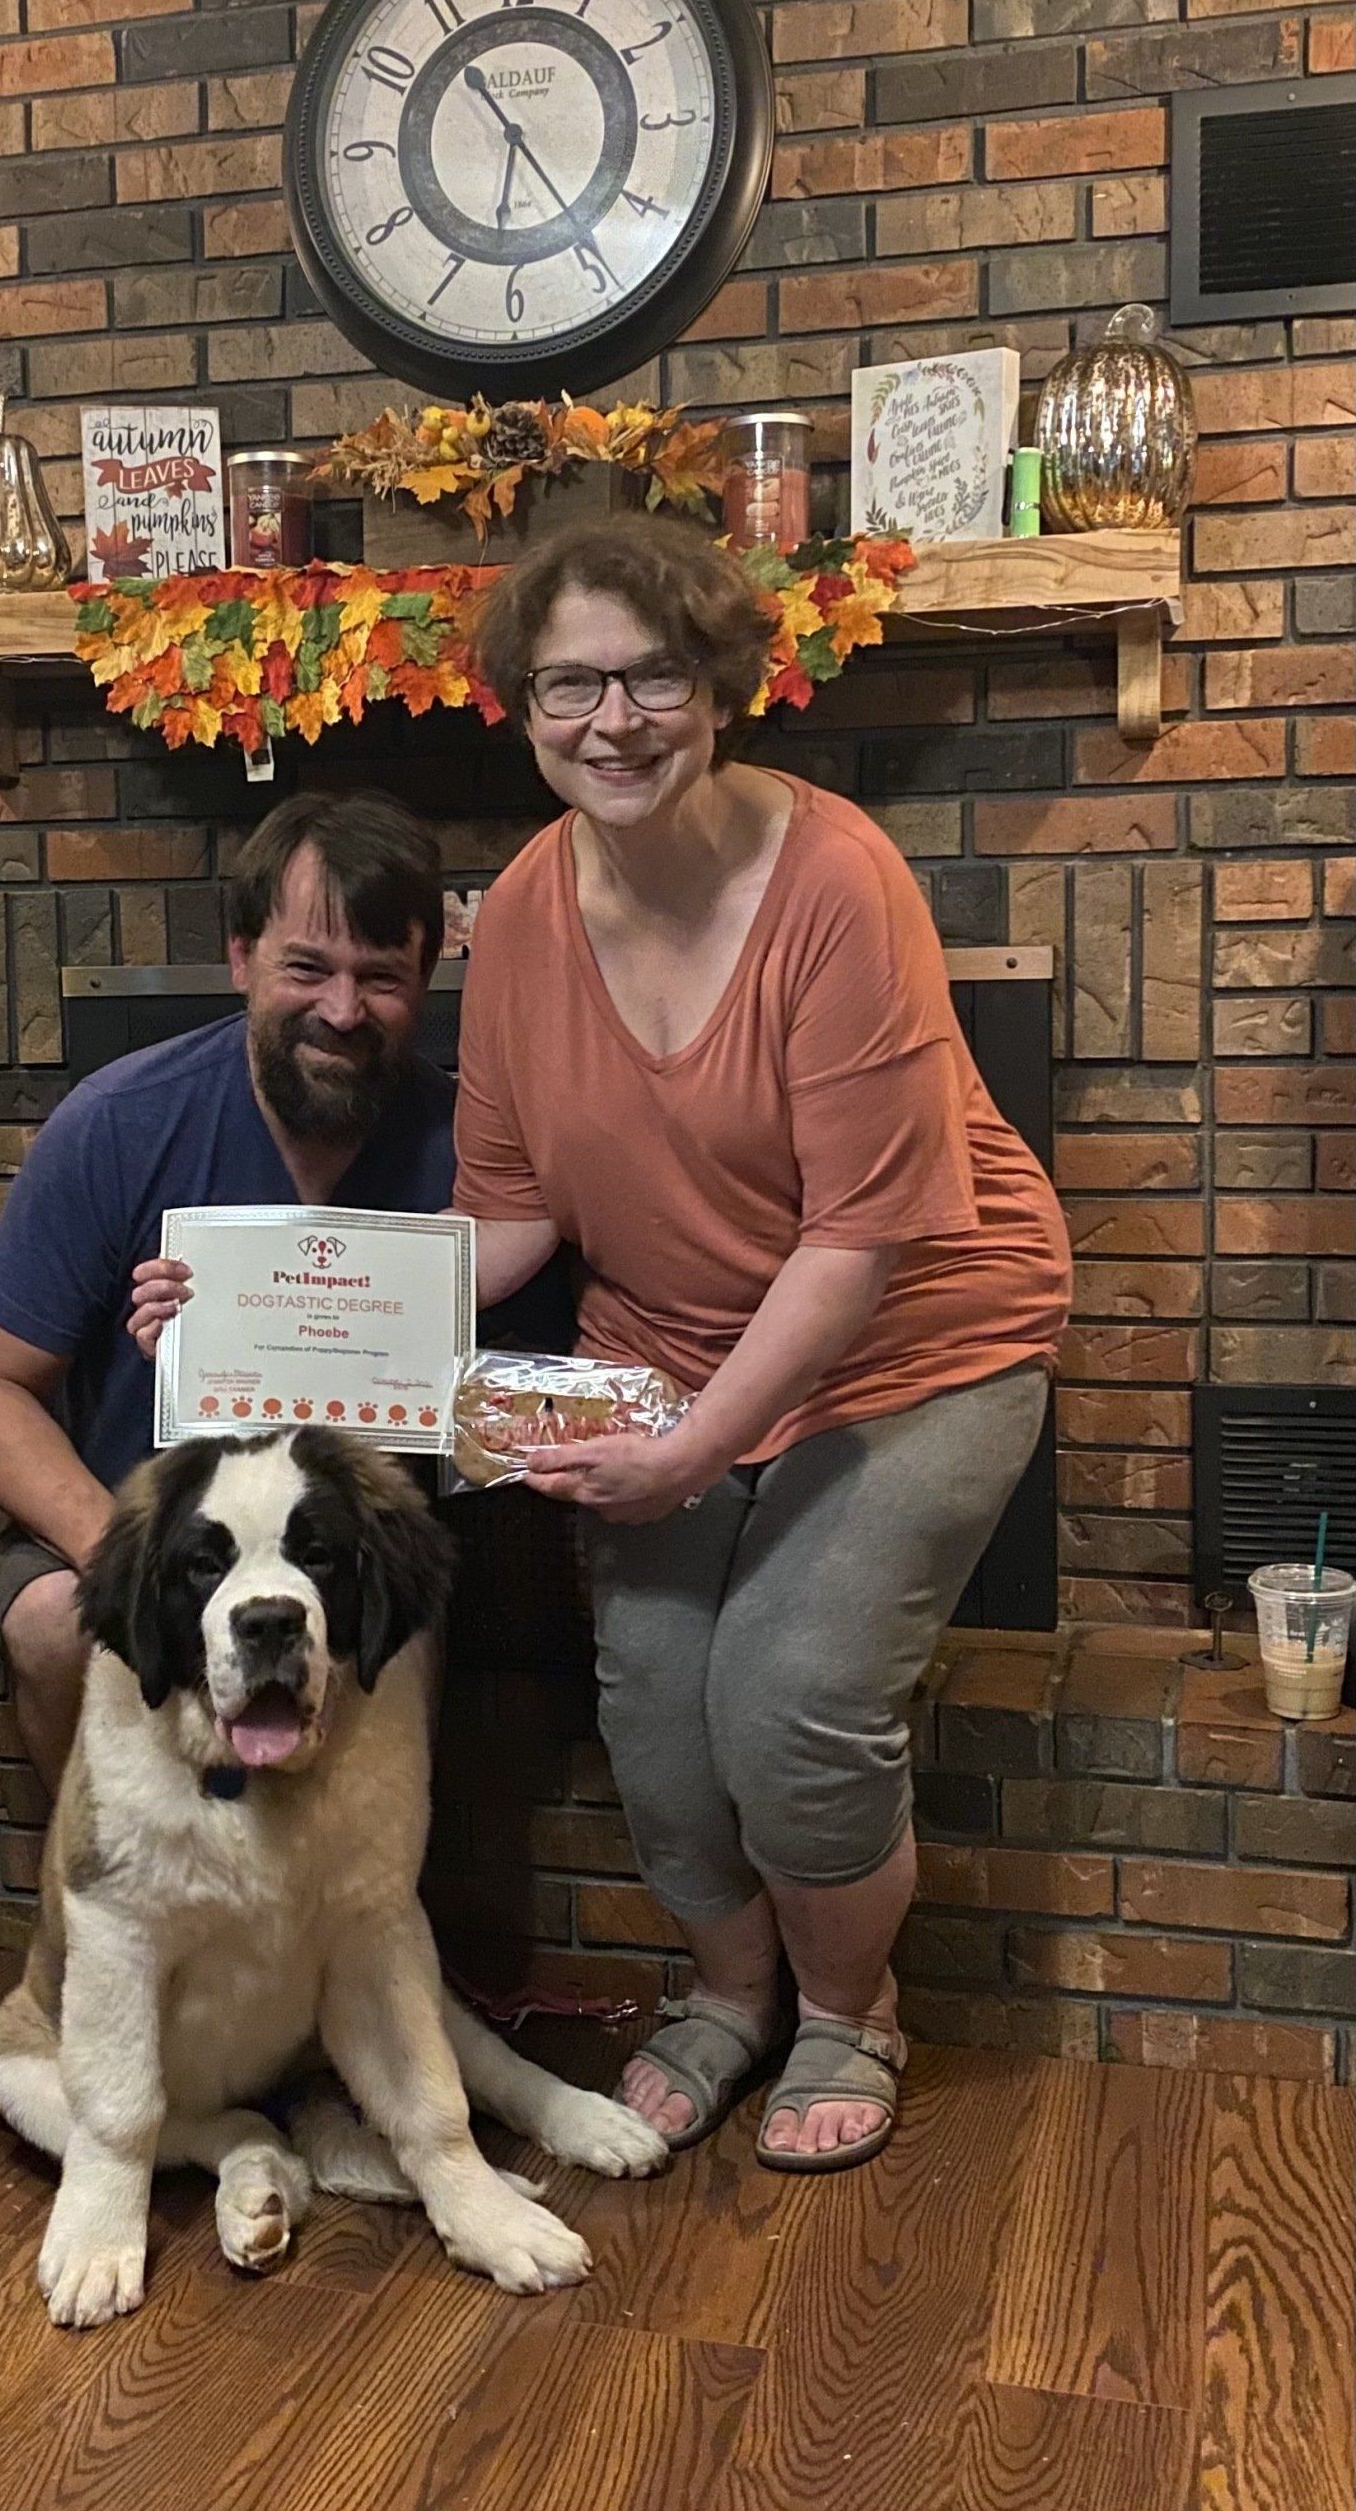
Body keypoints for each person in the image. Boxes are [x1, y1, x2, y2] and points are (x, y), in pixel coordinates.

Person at [451, 516, 1071, 2174]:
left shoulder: (839, 881)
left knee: (787, 1698)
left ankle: (848, 2007)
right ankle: (730, 1992)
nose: (614, 716)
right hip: (661, 1340)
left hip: (917, 1336)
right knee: (657, 1712)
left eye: (655, 674)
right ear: (524, 701)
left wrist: (694, 1446)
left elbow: (858, 1242)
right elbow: (507, 1213)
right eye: (569, 679)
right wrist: (284, 1296)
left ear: (722, 686)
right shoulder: (517, 911)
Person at [0, 791, 453, 1788]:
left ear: (425, 980)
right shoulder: (118, 1124)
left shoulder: (468, 1144)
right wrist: (123, 1555)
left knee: (409, 1642)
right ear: (240, 959)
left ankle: (358, 1917)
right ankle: (108, 1898)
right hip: (121, 1500)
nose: (341, 1011)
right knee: (57, 1626)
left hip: (335, 1533)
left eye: (379, 978)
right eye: (307, 967)